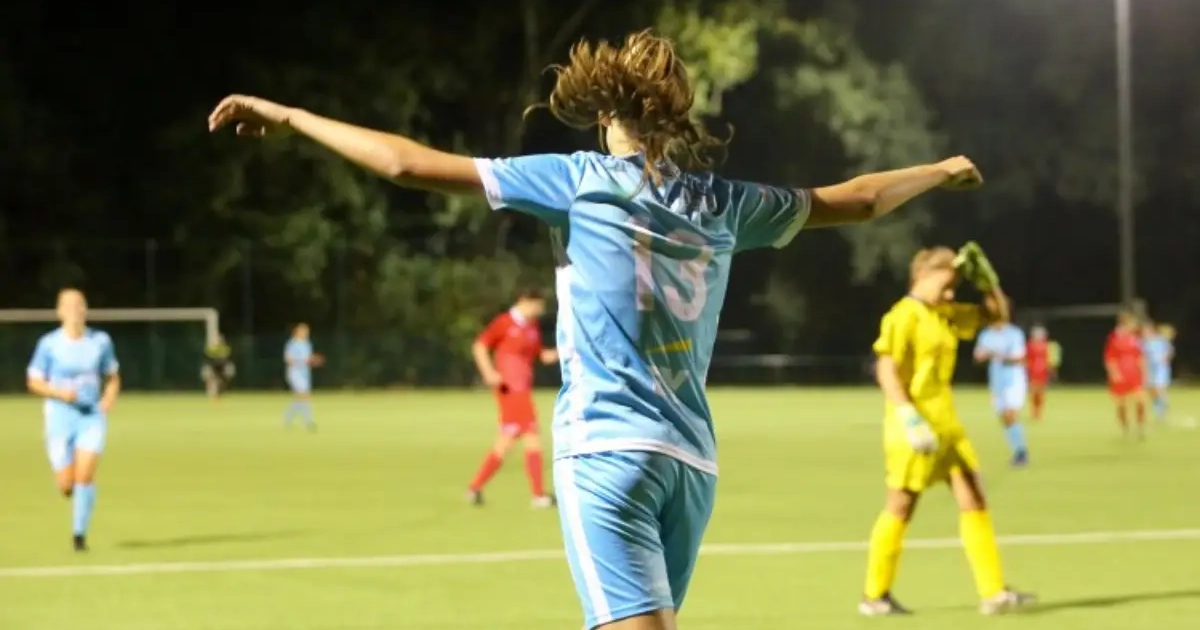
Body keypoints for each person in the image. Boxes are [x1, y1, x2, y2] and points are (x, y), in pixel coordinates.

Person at [209, 29, 985, 630]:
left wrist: (292, 116)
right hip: (690, 467)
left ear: (606, 112)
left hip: (607, 453)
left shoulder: (577, 180)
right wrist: (941, 169)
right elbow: (858, 198)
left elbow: (407, 165)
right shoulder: (725, 203)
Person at [862, 243, 1034, 616]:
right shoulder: (903, 315)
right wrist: (908, 416)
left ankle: (993, 593)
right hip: (914, 426)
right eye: (947, 284)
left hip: (947, 425)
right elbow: (886, 369)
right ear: (922, 275)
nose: (952, 294)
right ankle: (874, 596)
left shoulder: (943, 314)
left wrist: (988, 283)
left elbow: (997, 315)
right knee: (901, 504)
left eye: (956, 286)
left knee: (974, 496)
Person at [26, 288, 121, 552]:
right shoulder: (49, 344)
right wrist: (59, 393)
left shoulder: (100, 341)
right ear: (59, 312)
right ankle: (67, 487)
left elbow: (112, 376)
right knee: (67, 482)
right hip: (60, 416)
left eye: (80, 305)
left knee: (85, 475)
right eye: (69, 306)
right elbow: (34, 382)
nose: (75, 310)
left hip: (91, 416)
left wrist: (108, 398)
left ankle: (79, 536)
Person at [467, 288, 559, 508]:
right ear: (526, 301)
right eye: (538, 305)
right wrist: (489, 373)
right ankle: (538, 495)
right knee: (532, 437)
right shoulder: (504, 322)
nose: (540, 311)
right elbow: (480, 346)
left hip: (522, 390)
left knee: (505, 442)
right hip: (510, 390)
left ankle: (474, 488)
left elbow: (541, 355)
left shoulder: (531, 327)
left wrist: (567, 350)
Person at [973, 299, 1029, 466]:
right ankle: (1018, 448)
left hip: (1014, 380)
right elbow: (978, 356)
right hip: (996, 382)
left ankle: (1021, 452)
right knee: (1004, 417)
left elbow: (1019, 358)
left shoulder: (1014, 333)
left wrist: (998, 355)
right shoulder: (986, 334)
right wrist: (984, 355)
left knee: (1010, 414)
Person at [1105, 311, 1147, 438]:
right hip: (1121, 374)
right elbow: (1110, 358)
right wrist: (1114, 373)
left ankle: (1140, 426)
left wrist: (1144, 371)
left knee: (1141, 400)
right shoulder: (1114, 339)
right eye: (1132, 324)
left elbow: (1140, 356)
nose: (1134, 326)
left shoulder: (1135, 339)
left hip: (1134, 374)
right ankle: (1125, 428)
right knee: (1121, 404)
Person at [284, 323, 322, 431]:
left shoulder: (307, 344)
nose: (306, 333)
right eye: (304, 331)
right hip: (295, 373)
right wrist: (302, 361)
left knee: (301, 398)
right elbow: (288, 359)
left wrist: (314, 361)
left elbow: (308, 359)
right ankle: (308, 421)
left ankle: (288, 418)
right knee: (304, 396)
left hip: (305, 373)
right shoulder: (292, 344)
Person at [1142, 321, 1175, 422]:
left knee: (1159, 388)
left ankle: (1165, 404)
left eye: (1146, 331)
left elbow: (1170, 350)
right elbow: (1142, 355)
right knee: (1152, 391)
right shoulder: (1143, 343)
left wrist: (1165, 357)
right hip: (1149, 369)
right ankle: (1159, 412)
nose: (1145, 333)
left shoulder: (1160, 340)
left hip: (1161, 368)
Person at [1024, 325, 1056, 420]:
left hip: (1043, 372)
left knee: (1041, 394)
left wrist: (1051, 370)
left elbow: (1049, 359)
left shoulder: (1046, 346)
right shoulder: (1029, 345)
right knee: (1033, 393)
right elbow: (1026, 358)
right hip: (1032, 371)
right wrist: (1026, 369)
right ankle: (1034, 412)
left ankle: (1039, 412)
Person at [201, 333, 235, 401]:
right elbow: (208, 359)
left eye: (221, 340)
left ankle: (221, 390)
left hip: (222, 367)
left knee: (228, 372)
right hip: (213, 366)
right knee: (207, 375)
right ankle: (210, 391)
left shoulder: (226, 348)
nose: (220, 341)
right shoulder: (212, 348)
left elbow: (227, 359)